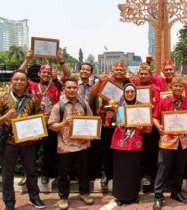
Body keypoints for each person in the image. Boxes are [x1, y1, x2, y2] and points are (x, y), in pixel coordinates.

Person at [0, 70, 45, 210]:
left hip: (28, 142)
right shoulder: (2, 98)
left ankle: (34, 197)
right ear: (11, 80)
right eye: (16, 79)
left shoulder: (32, 99)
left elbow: (40, 118)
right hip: (9, 142)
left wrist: (39, 133)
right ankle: (9, 202)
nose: (19, 82)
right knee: (8, 174)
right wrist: (5, 117)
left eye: (22, 80)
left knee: (31, 170)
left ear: (26, 83)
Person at [19, 49, 71, 184]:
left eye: (49, 72)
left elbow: (68, 75)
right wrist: (27, 59)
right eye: (44, 72)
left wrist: (61, 60)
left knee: (49, 152)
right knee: (31, 151)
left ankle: (46, 174)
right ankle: (28, 174)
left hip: (50, 124)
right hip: (34, 124)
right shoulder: (31, 85)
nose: (46, 74)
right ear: (39, 73)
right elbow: (19, 74)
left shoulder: (56, 86)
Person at [48, 77, 94, 210]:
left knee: (83, 171)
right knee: (63, 173)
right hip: (65, 145)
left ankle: (84, 193)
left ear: (77, 88)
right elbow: (52, 126)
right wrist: (63, 123)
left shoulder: (84, 104)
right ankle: (63, 197)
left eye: (74, 87)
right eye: (69, 87)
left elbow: (91, 121)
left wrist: (90, 133)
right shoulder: (59, 106)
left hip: (82, 144)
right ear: (63, 89)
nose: (72, 90)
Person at [152, 75, 187, 210]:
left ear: (183, 88)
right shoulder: (164, 101)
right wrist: (158, 126)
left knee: (179, 168)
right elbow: (155, 117)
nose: (178, 88)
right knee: (163, 169)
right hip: (167, 140)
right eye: (175, 85)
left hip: (183, 140)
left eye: (180, 86)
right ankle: (158, 197)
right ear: (171, 87)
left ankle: (176, 193)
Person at [90, 62, 130, 186]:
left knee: (121, 149)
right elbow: (92, 94)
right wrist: (100, 82)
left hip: (123, 122)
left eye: (121, 70)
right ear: (113, 70)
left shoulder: (128, 83)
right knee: (106, 148)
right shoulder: (106, 82)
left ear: (124, 71)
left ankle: (118, 174)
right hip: (108, 120)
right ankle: (105, 174)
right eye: (116, 70)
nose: (119, 72)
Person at [110, 83, 144, 205]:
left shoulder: (141, 106)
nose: (130, 94)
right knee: (120, 169)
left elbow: (147, 126)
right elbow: (108, 121)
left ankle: (134, 196)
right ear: (123, 94)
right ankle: (119, 196)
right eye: (127, 92)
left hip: (135, 141)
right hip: (120, 142)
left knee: (134, 169)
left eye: (132, 92)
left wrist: (142, 126)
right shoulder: (116, 106)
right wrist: (112, 114)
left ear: (135, 93)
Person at [132, 63, 161, 192]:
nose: (143, 76)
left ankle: (150, 176)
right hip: (136, 123)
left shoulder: (155, 88)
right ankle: (139, 174)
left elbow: (159, 106)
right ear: (138, 75)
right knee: (138, 151)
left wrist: (151, 106)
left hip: (150, 124)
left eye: (146, 74)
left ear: (150, 75)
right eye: (141, 73)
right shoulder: (134, 87)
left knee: (150, 152)